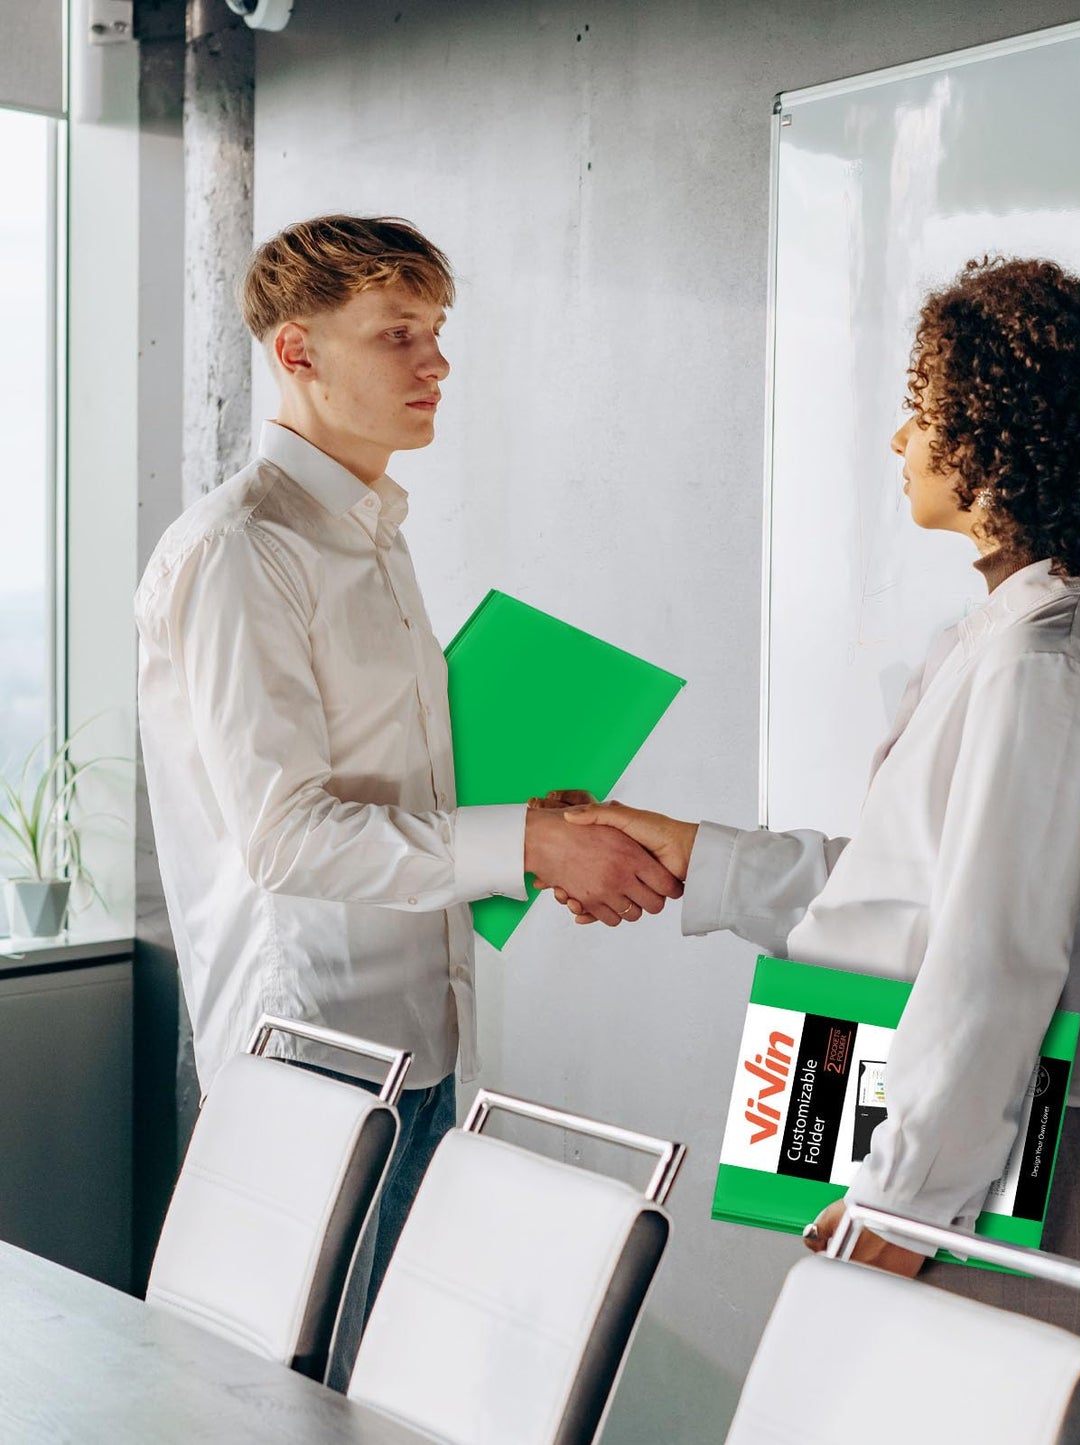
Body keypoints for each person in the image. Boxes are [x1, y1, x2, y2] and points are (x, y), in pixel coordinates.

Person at [552, 256, 1080, 1329]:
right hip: (955, 1157)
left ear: (1003, 437)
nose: (899, 440)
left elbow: (990, 968)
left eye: (921, 412)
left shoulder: (1036, 666)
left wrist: (898, 1212)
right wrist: (688, 848)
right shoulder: (1005, 642)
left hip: (988, 1174)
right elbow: (910, 899)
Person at [134, 214, 681, 1373]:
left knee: (379, 1384)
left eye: (435, 334)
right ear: (298, 352)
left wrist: (533, 818)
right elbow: (283, 837)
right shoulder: (245, 549)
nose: (436, 366)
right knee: (291, 1395)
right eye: (397, 336)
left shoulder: (372, 536)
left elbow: (378, 785)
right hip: (313, 1051)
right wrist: (522, 847)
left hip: (418, 1038)